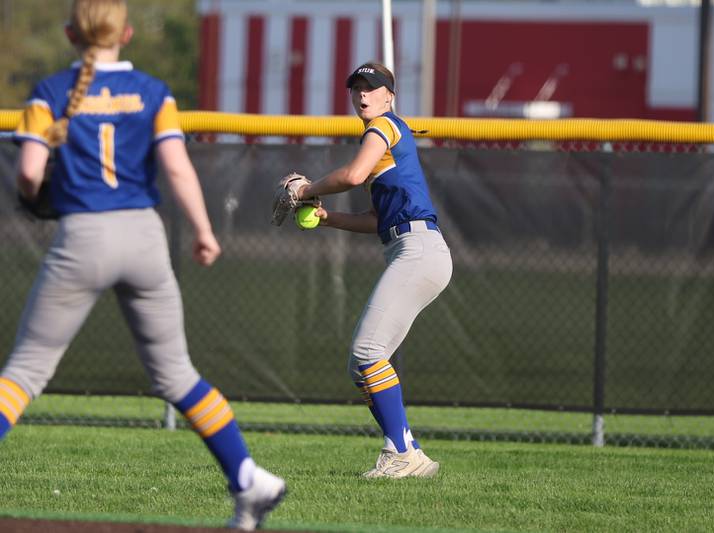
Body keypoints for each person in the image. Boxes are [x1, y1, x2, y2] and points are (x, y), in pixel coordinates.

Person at [0, 1, 283, 529]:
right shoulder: (154, 92)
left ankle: (251, 482)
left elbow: (30, 174)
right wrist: (203, 231)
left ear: (70, 34)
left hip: (84, 236)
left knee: (25, 372)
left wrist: (37, 195)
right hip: (144, 238)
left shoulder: (51, 92)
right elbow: (176, 168)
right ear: (126, 34)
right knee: (177, 375)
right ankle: (248, 479)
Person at [293, 62, 453, 478]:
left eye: (372, 87)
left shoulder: (383, 126)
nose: (363, 94)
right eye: (357, 88)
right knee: (361, 363)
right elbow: (377, 220)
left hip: (419, 250)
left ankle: (401, 453)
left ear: (389, 96)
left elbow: (353, 174)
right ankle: (408, 451)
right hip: (411, 247)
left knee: (368, 354)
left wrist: (306, 189)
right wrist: (327, 218)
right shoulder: (383, 138)